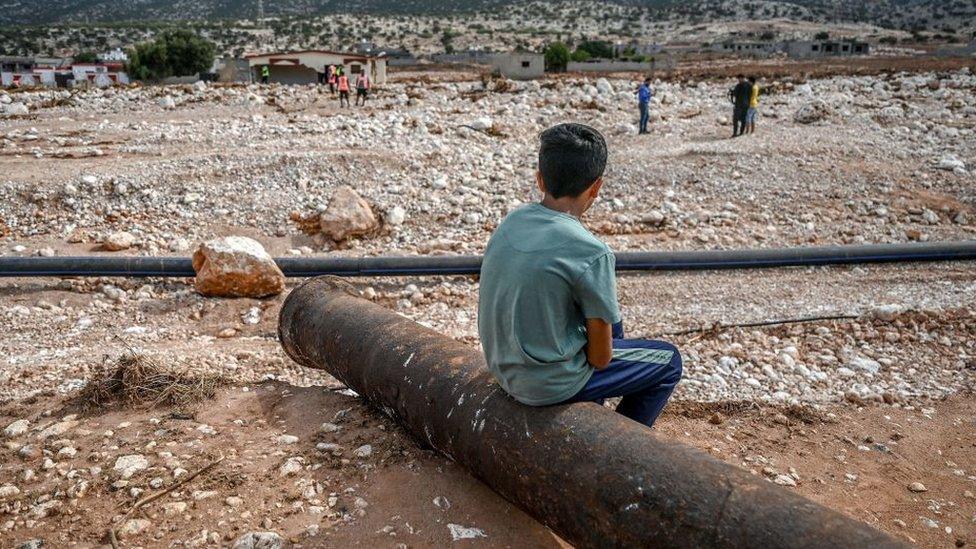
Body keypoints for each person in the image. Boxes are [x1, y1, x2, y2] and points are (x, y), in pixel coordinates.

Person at [478, 123, 683, 429]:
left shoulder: (513, 220)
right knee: (669, 362)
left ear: (540, 179)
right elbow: (601, 359)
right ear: (596, 187)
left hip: (504, 368)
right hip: (545, 385)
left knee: (612, 322)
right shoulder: (591, 250)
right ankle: (622, 444)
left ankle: (593, 409)